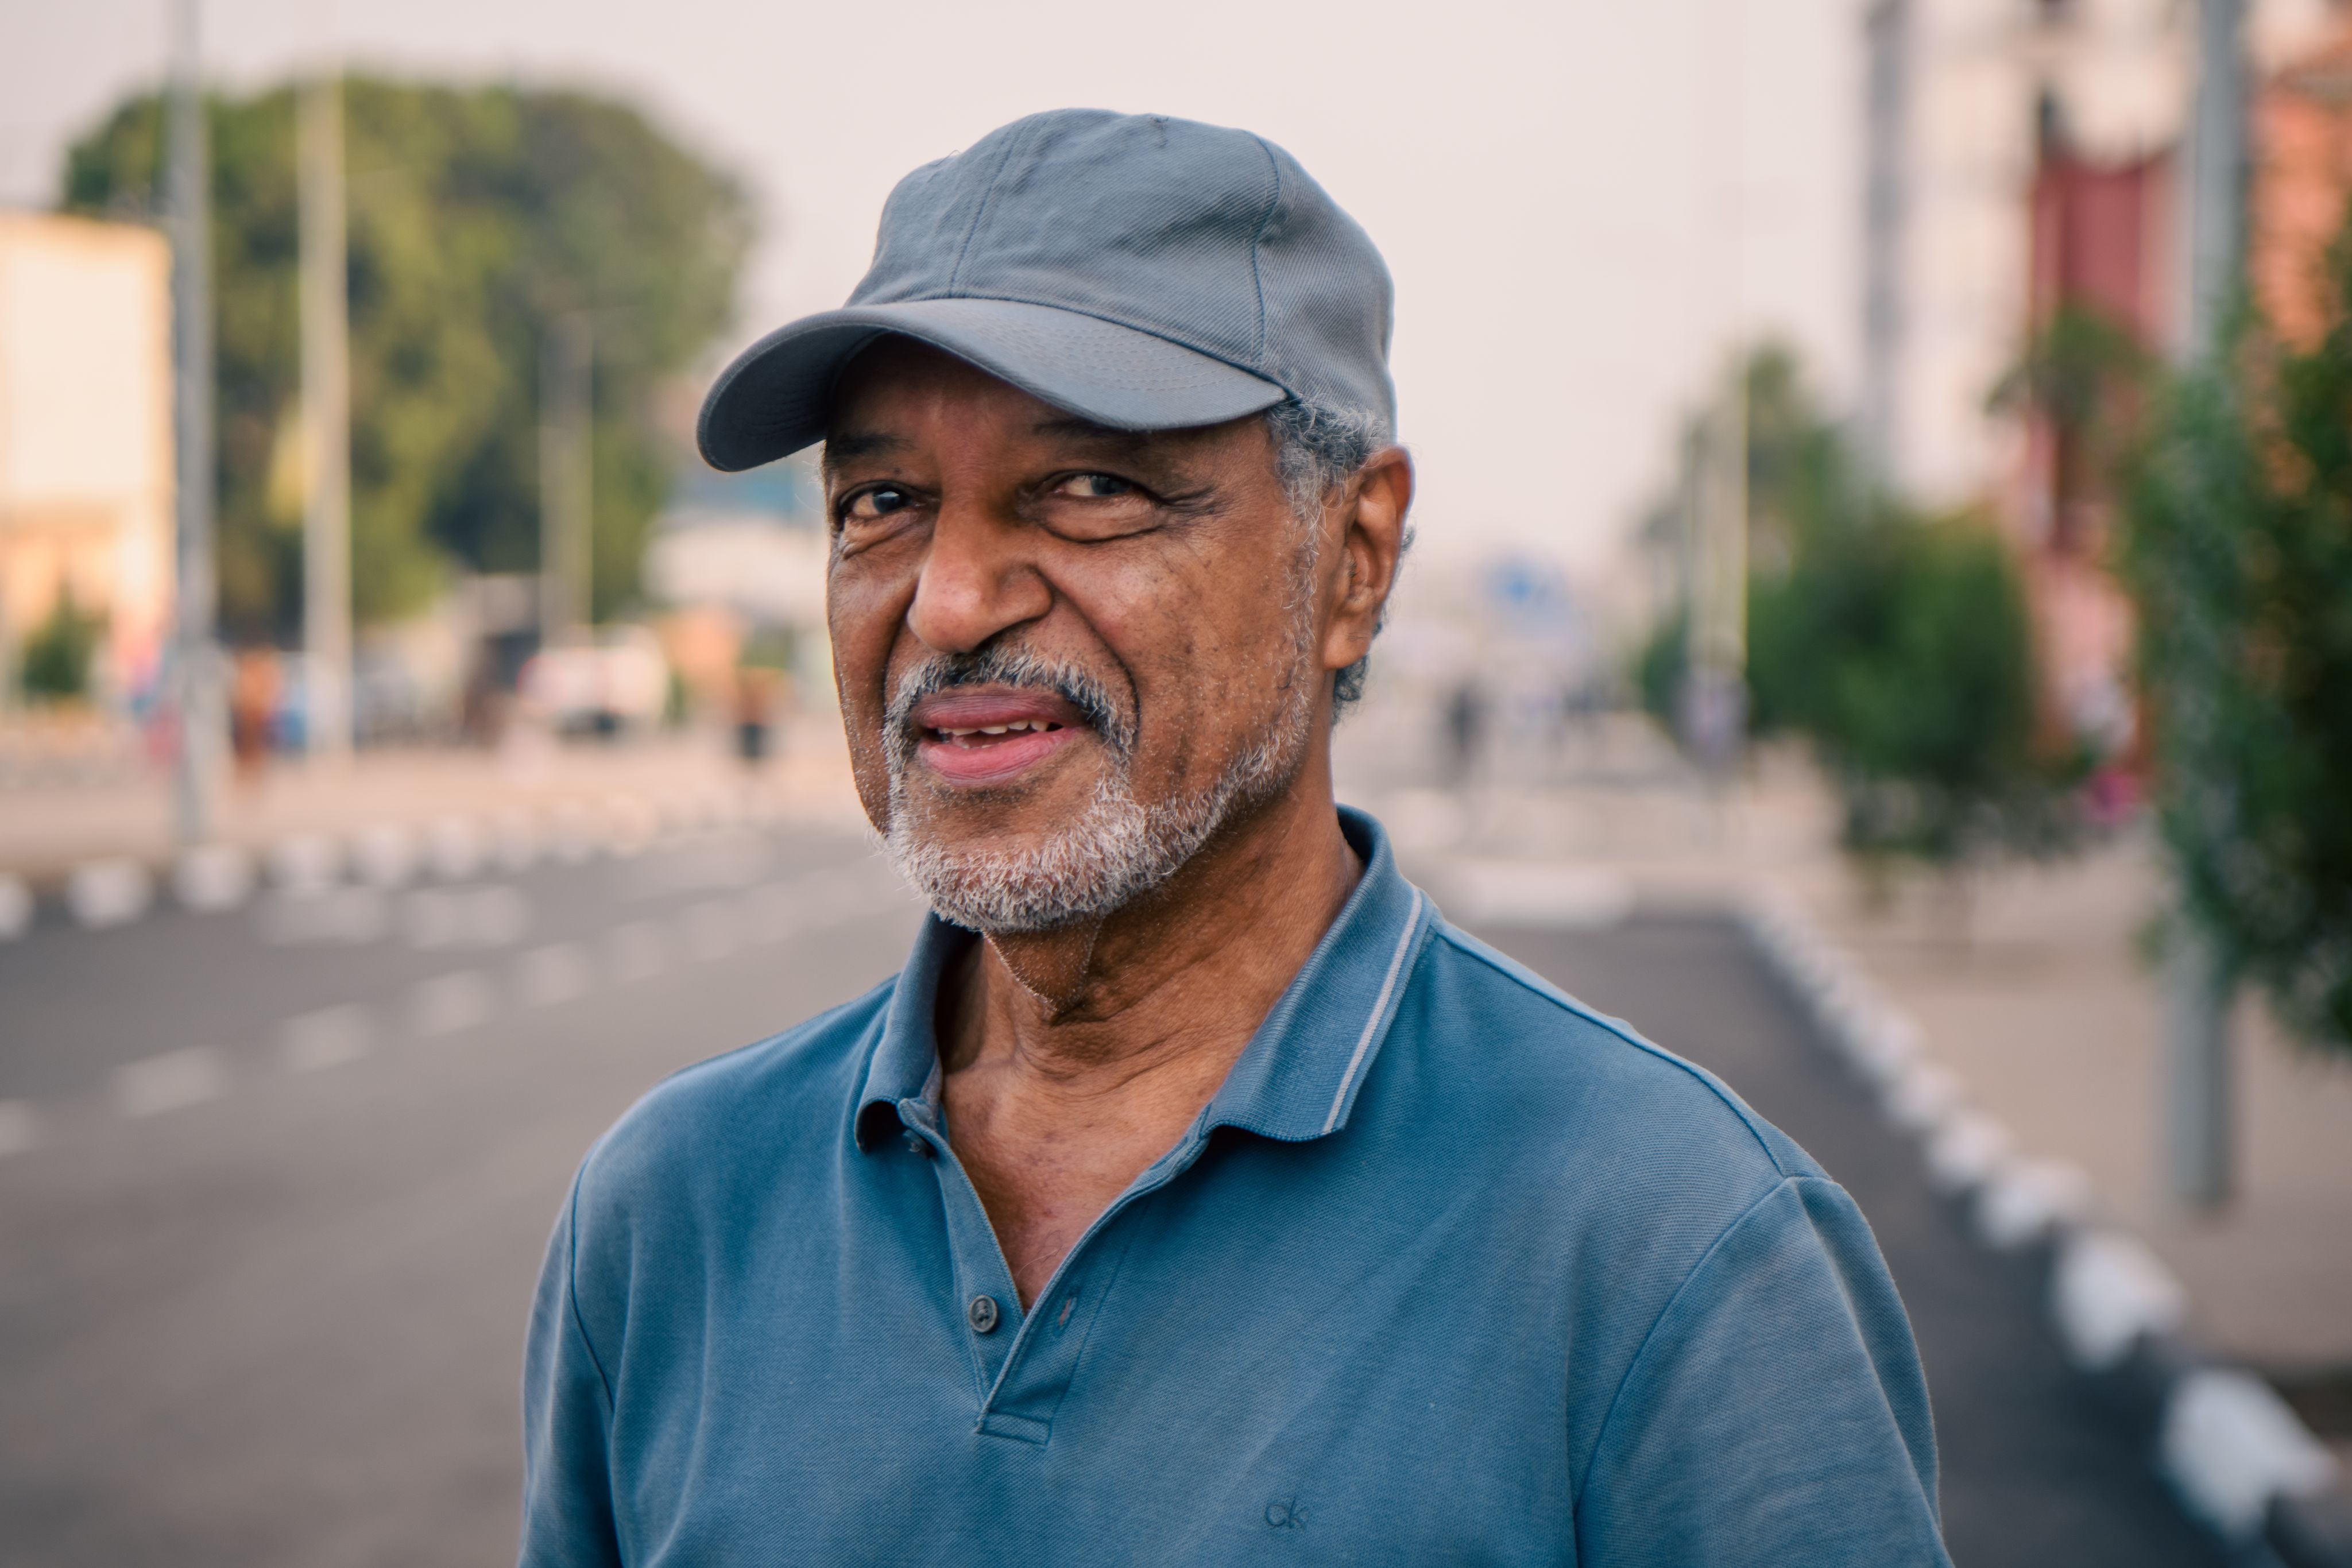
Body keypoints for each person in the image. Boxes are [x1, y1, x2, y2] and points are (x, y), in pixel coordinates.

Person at [520, 109, 1951, 1566]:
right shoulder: (671, 1214)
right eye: (881, 503)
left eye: (1089, 487)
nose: (947, 603)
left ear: (1353, 558)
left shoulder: (1671, 1248)